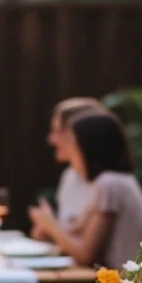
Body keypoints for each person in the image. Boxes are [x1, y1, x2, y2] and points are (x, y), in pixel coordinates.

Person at [28, 109, 142, 283]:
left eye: (72, 143)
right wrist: (49, 228)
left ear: (89, 147)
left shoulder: (109, 185)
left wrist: (50, 225)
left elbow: (85, 253)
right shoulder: (113, 181)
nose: (69, 150)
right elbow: (77, 231)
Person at [33, 97, 104, 239]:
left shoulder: (107, 183)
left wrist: (51, 226)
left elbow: (87, 250)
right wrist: (46, 229)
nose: (51, 139)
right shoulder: (70, 176)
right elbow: (67, 238)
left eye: (57, 131)